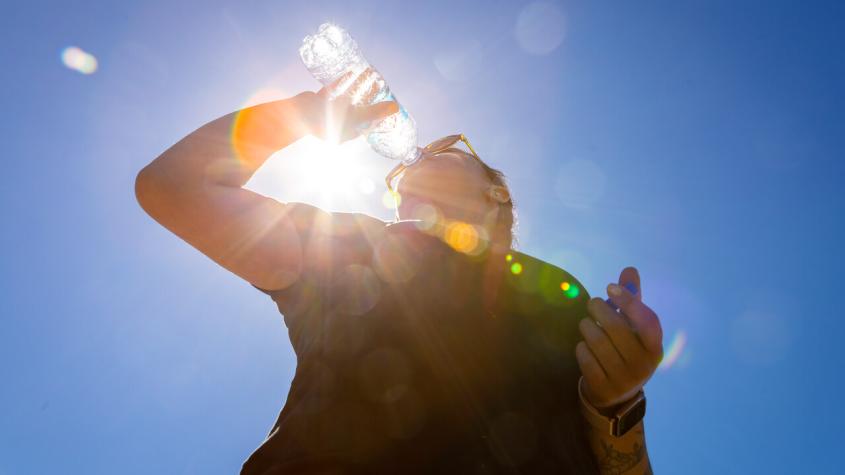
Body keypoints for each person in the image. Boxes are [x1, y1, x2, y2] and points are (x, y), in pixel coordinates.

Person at [135, 77, 664, 474]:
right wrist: (297, 117)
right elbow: (172, 187)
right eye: (395, 184)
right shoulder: (352, 246)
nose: (410, 164)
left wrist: (617, 402)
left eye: (443, 149)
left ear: (495, 194)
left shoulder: (556, 291)